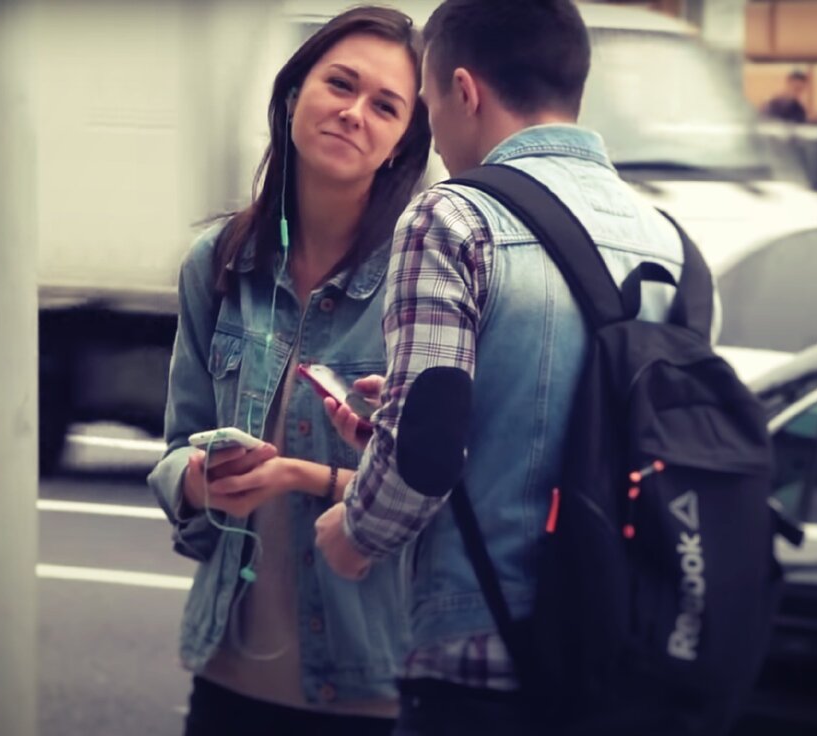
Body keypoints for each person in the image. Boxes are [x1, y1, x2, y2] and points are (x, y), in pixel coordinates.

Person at [313, 0, 692, 733]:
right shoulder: (673, 244)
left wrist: (355, 535)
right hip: (627, 661)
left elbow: (422, 461)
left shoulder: (452, 218)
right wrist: (409, 418)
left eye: (426, 104)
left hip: (482, 660)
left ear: (463, 91)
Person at [147, 7, 431, 735]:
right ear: (294, 93)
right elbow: (175, 449)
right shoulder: (218, 262)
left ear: (402, 143)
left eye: (385, 106)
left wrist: (303, 476)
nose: (354, 112)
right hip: (227, 673)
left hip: (371, 689)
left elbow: (438, 493)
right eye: (340, 84)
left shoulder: (422, 280)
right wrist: (198, 480)